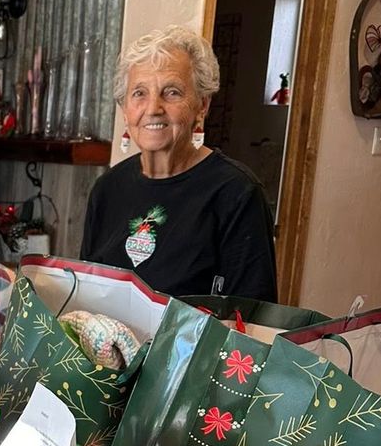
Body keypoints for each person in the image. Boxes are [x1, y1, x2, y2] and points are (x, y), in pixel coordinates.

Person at [82, 25, 277, 301]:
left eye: (171, 92)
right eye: (139, 93)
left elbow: (254, 323)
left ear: (202, 106)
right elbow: (85, 299)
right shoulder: (106, 190)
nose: (153, 108)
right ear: (125, 110)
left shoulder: (237, 194)